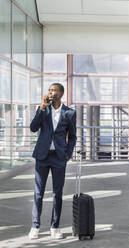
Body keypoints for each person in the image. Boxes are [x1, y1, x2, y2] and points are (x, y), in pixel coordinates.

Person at [28, 83, 77, 240]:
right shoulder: (43, 109)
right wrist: (42, 108)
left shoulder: (70, 112)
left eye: (54, 90)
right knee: (38, 194)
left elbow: (73, 136)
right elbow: (33, 128)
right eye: (49, 90)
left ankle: (54, 227)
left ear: (61, 93)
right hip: (42, 156)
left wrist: (68, 154)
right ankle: (35, 226)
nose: (51, 93)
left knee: (57, 194)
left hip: (59, 157)